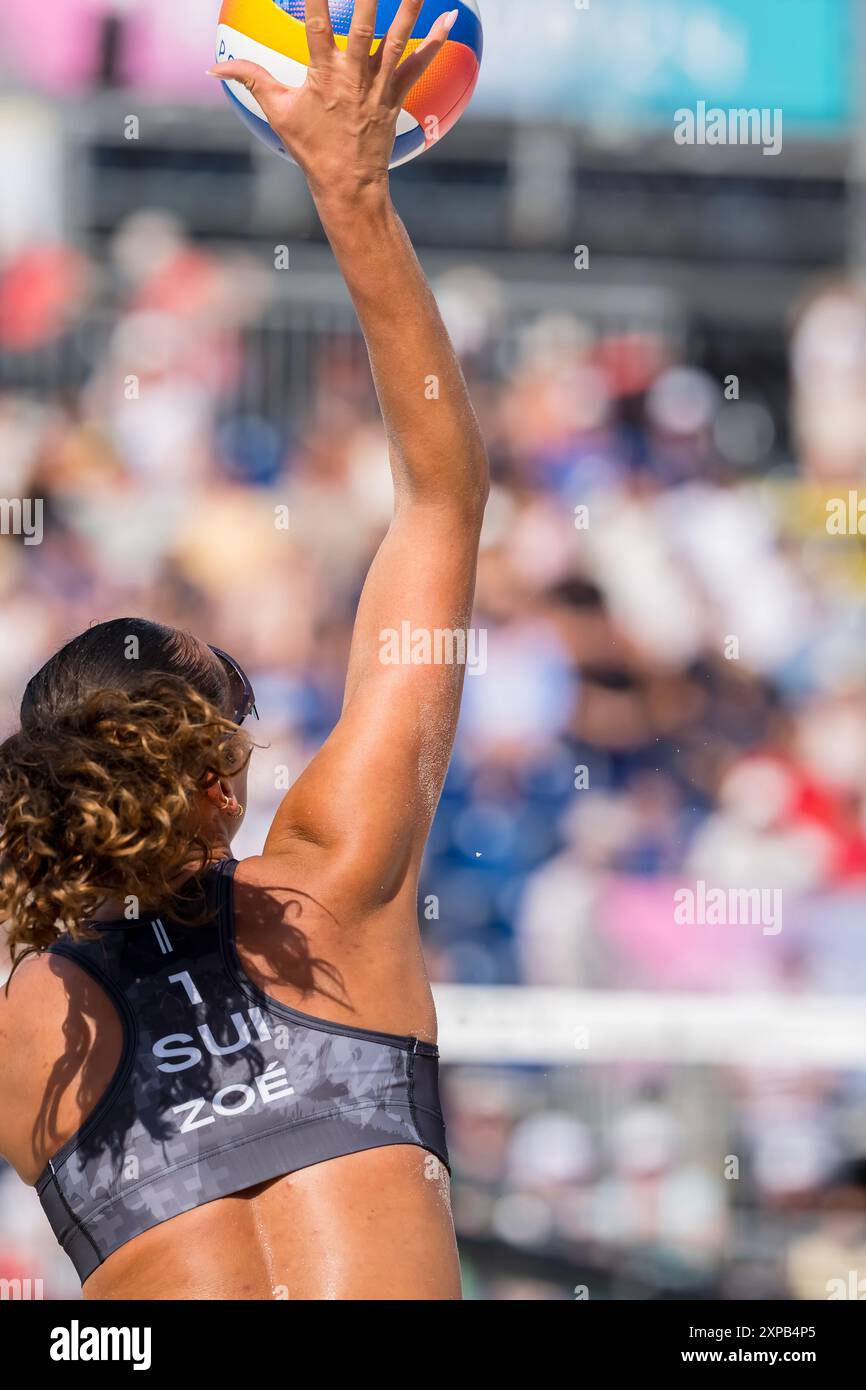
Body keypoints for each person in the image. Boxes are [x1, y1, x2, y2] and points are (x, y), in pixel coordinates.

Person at [0, 0, 488, 1301]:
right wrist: (351, 189)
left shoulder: (33, 1029)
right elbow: (439, 496)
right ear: (221, 781)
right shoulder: (343, 882)